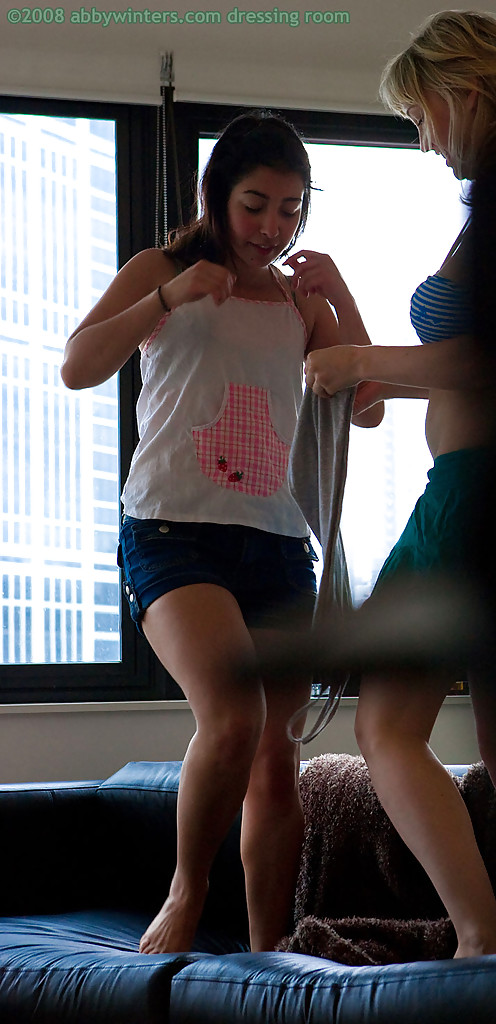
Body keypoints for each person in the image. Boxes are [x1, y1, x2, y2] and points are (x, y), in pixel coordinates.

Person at [60, 112, 382, 955]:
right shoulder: (161, 270)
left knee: (277, 758)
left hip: (278, 544)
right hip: (171, 531)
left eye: (291, 208)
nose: (273, 227)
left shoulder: (299, 301)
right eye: (255, 205)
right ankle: (187, 889)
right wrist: (166, 299)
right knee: (234, 720)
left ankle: (267, 954)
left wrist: (341, 295)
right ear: (217, 196)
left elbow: (370, 407)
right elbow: (77, 366)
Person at [294, 10, 496, 957]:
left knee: (389, 723)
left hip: (478, 494)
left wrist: (366, 357)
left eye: (420, 115)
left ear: (465, 94)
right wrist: (351, 336)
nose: (424, 138)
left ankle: (486, 934)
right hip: (482, 490)